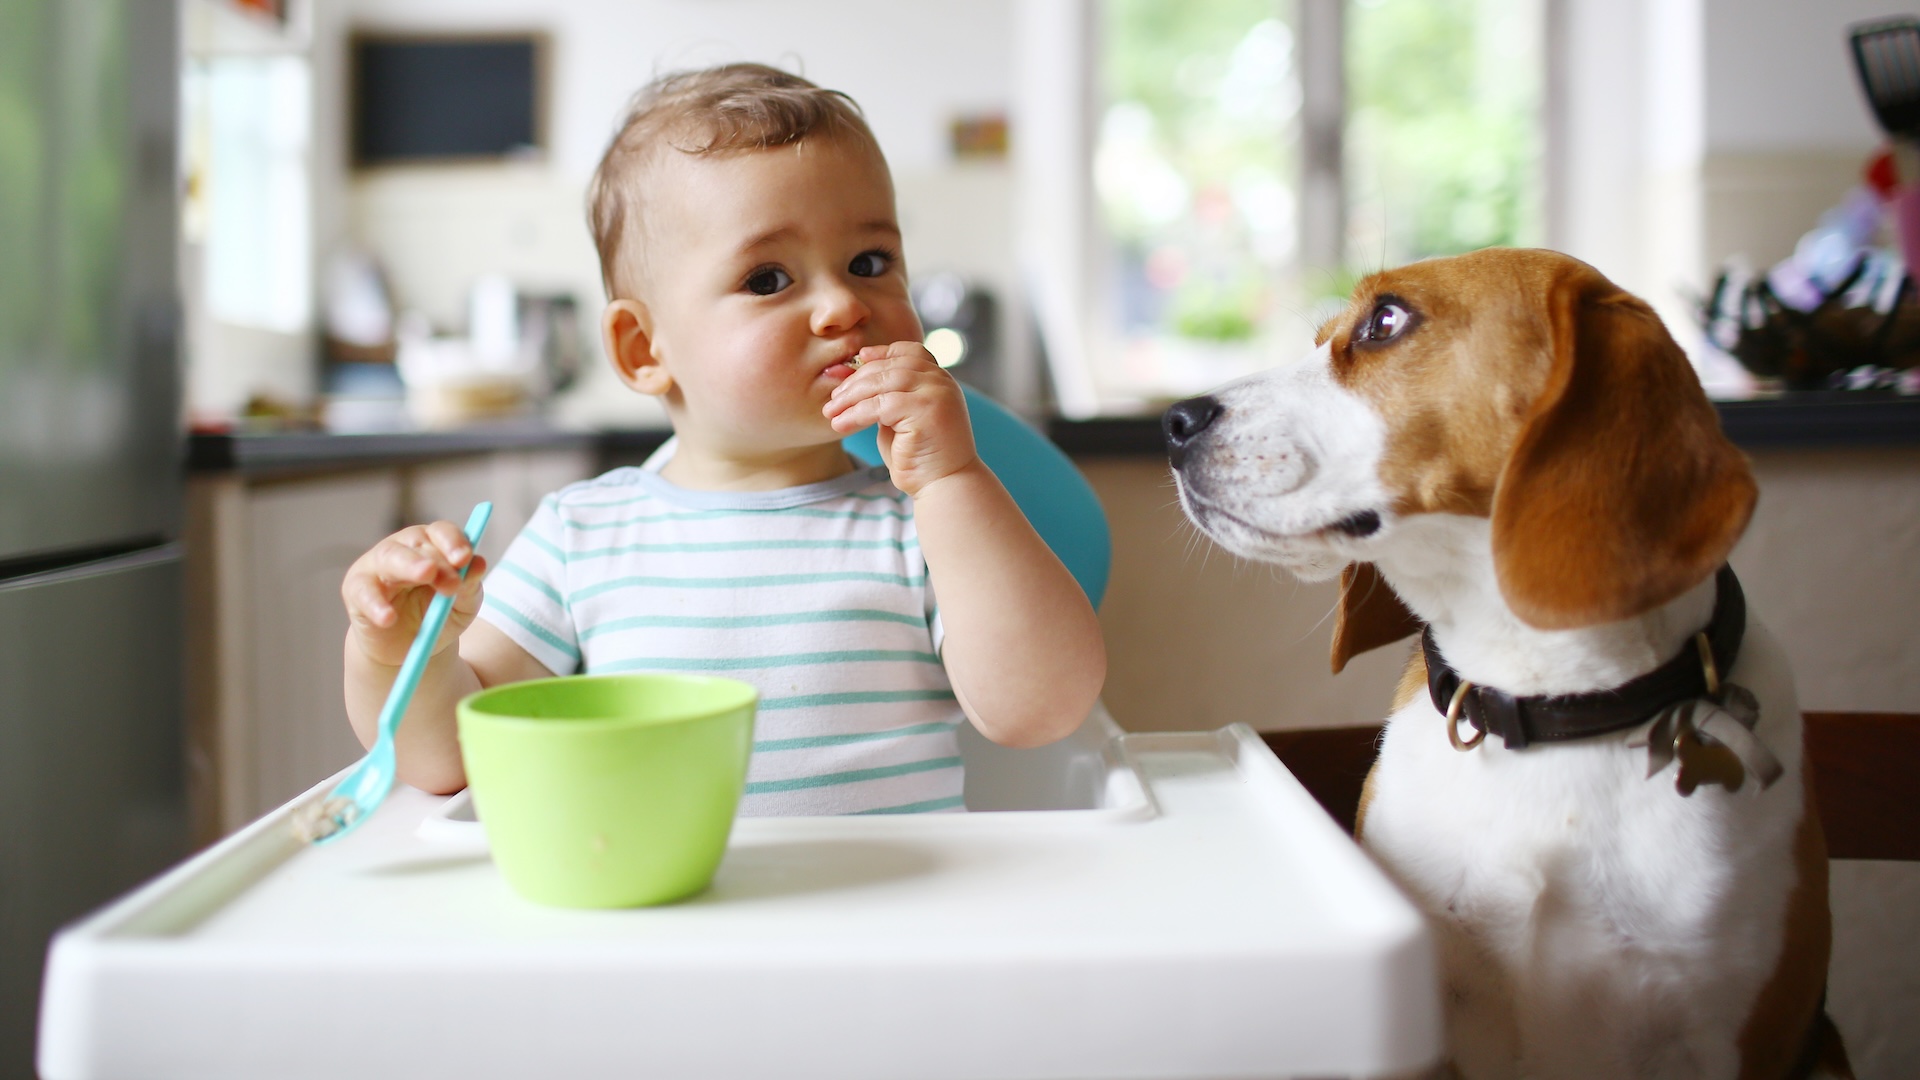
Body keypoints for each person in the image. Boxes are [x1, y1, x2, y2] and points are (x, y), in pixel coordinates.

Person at [339, 64, 1106, 815]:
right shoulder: (582, 537)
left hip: (882, 930)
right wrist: (404, 655)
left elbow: (1039, 713)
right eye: (768, 279)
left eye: (870, 263)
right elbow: (448, 760)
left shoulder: (920, 525)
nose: (844, 304)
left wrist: (953, 482)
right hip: (667, 933)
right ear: (645, 350)